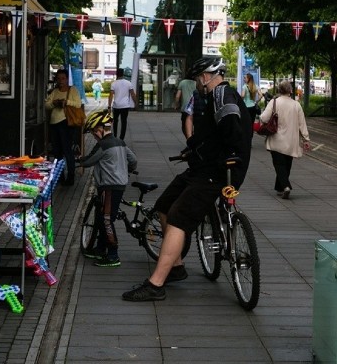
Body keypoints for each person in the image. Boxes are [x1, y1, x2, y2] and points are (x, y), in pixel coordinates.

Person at [122, 56, 252, 302]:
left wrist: (224, 155)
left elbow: (232, 131)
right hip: (201, 168)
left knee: (179, 218)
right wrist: (193, 149)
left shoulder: (222, 95)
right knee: (164, 207)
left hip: (218, 172)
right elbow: (211, 135)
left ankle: (156, 284)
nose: (196, 83)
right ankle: (177, 266)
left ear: (206, 76)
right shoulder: (209, 98)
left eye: (196, 78)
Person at [80, 109, 138, 268]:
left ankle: (113, 255)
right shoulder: (120, 142)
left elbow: (88, 161)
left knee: (106, 220)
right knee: (101, 217)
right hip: (117, 185)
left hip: (109, 187)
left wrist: (77, 159)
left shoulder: (103, 145)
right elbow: (133, 160)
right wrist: (129, 169)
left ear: (99, 129)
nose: (93, 135)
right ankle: (100, 248)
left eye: (93, 131)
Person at [259, 80, 311, 199]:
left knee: (279, 164)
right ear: (290, 91)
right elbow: (302, 123)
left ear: (279, 90)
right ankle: (280, 187)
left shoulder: (274, 102)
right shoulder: (296, 105)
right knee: (287, 165)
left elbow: (264, 117)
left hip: (277, 139)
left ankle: (286, 186)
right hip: (291, 140)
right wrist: (306, 139)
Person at [45, 68, 81, 186]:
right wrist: (54, 103)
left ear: (67, 79)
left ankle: (71, 177)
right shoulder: (54, 91)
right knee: (57, 152)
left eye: (63, 78)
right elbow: (46, 105)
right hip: (54, 124)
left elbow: (78, 104)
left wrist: (66, 102)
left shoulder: (73, 90)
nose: (61, 81)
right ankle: (60, 176)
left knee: (67, 151)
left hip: (66, 123)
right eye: (59, 78)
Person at [108, 68, 136, 140]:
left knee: (115, 121)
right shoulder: (128, 83)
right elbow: (133, 94)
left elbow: (111, 95)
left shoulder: (114, 83)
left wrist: (109, 106)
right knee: (124, 121)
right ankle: (121, 138)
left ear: (117, 74)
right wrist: (136, 103)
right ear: (123, 74)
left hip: (116, 106)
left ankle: (115, 136)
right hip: (125, 106)